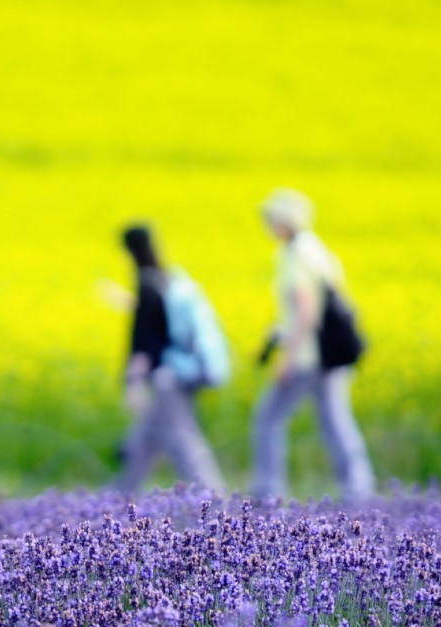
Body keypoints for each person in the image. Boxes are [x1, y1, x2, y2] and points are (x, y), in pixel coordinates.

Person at [250, 188, 375, 503]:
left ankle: (268, 491)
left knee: (268, 418)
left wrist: (287, 357)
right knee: (335, 421)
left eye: (271, 220)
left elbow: (305, 311)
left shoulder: (294, 255)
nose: (268, 226)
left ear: (283, 222)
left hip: (307, 356)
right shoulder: (318, 250)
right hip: (329, 355)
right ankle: (358, 490)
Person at [109, 224, 227, 497]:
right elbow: (162, 325)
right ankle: (116, 495)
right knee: (145, 441)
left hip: (167, 377)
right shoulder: (166, 279)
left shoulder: (146, 284)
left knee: (182, 437)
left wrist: (133, 384)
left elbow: (145, 341)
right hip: (183, 370)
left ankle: (211, 495)